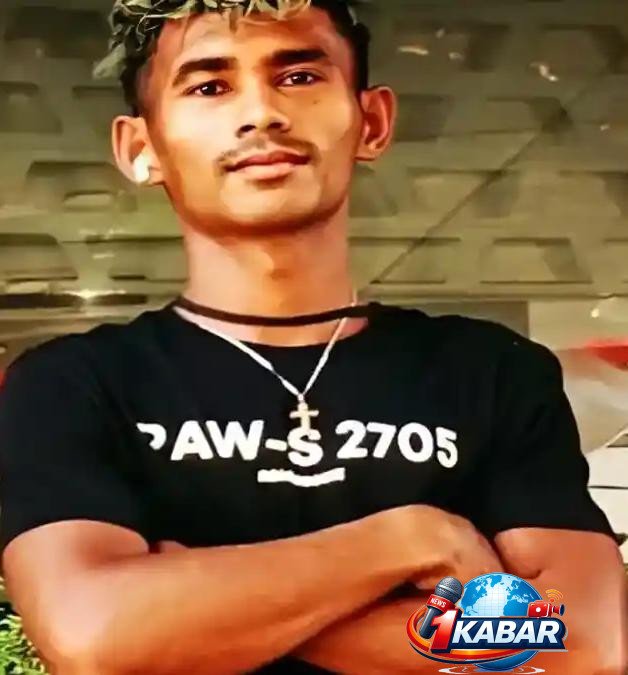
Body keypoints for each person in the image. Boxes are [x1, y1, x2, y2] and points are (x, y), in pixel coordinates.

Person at [0, 1, 625, 673]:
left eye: (298, 77)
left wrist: (193, 606)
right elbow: (94, 636)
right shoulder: (73, 384)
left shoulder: (492, 369)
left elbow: (581, 642)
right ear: (140, 147)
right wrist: (407, 539)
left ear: (372, 121)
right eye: (209, 86)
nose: (261, 112)